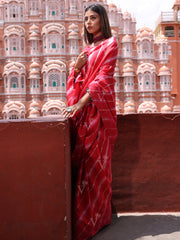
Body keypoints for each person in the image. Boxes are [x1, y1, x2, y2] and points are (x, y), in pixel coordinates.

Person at [63, 4, 118, 240]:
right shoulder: (86, 50)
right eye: (85, 19)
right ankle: (86, 222)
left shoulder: (110, 44)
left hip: (99, 114)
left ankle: (101, 218)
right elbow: (79, 80)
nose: (88, 22)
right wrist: (76, 68)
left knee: (98, 167)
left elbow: (104, 79)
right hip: (84, 116)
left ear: (102, 20)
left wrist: (80, 104)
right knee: (84, 169)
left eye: (93, 18)